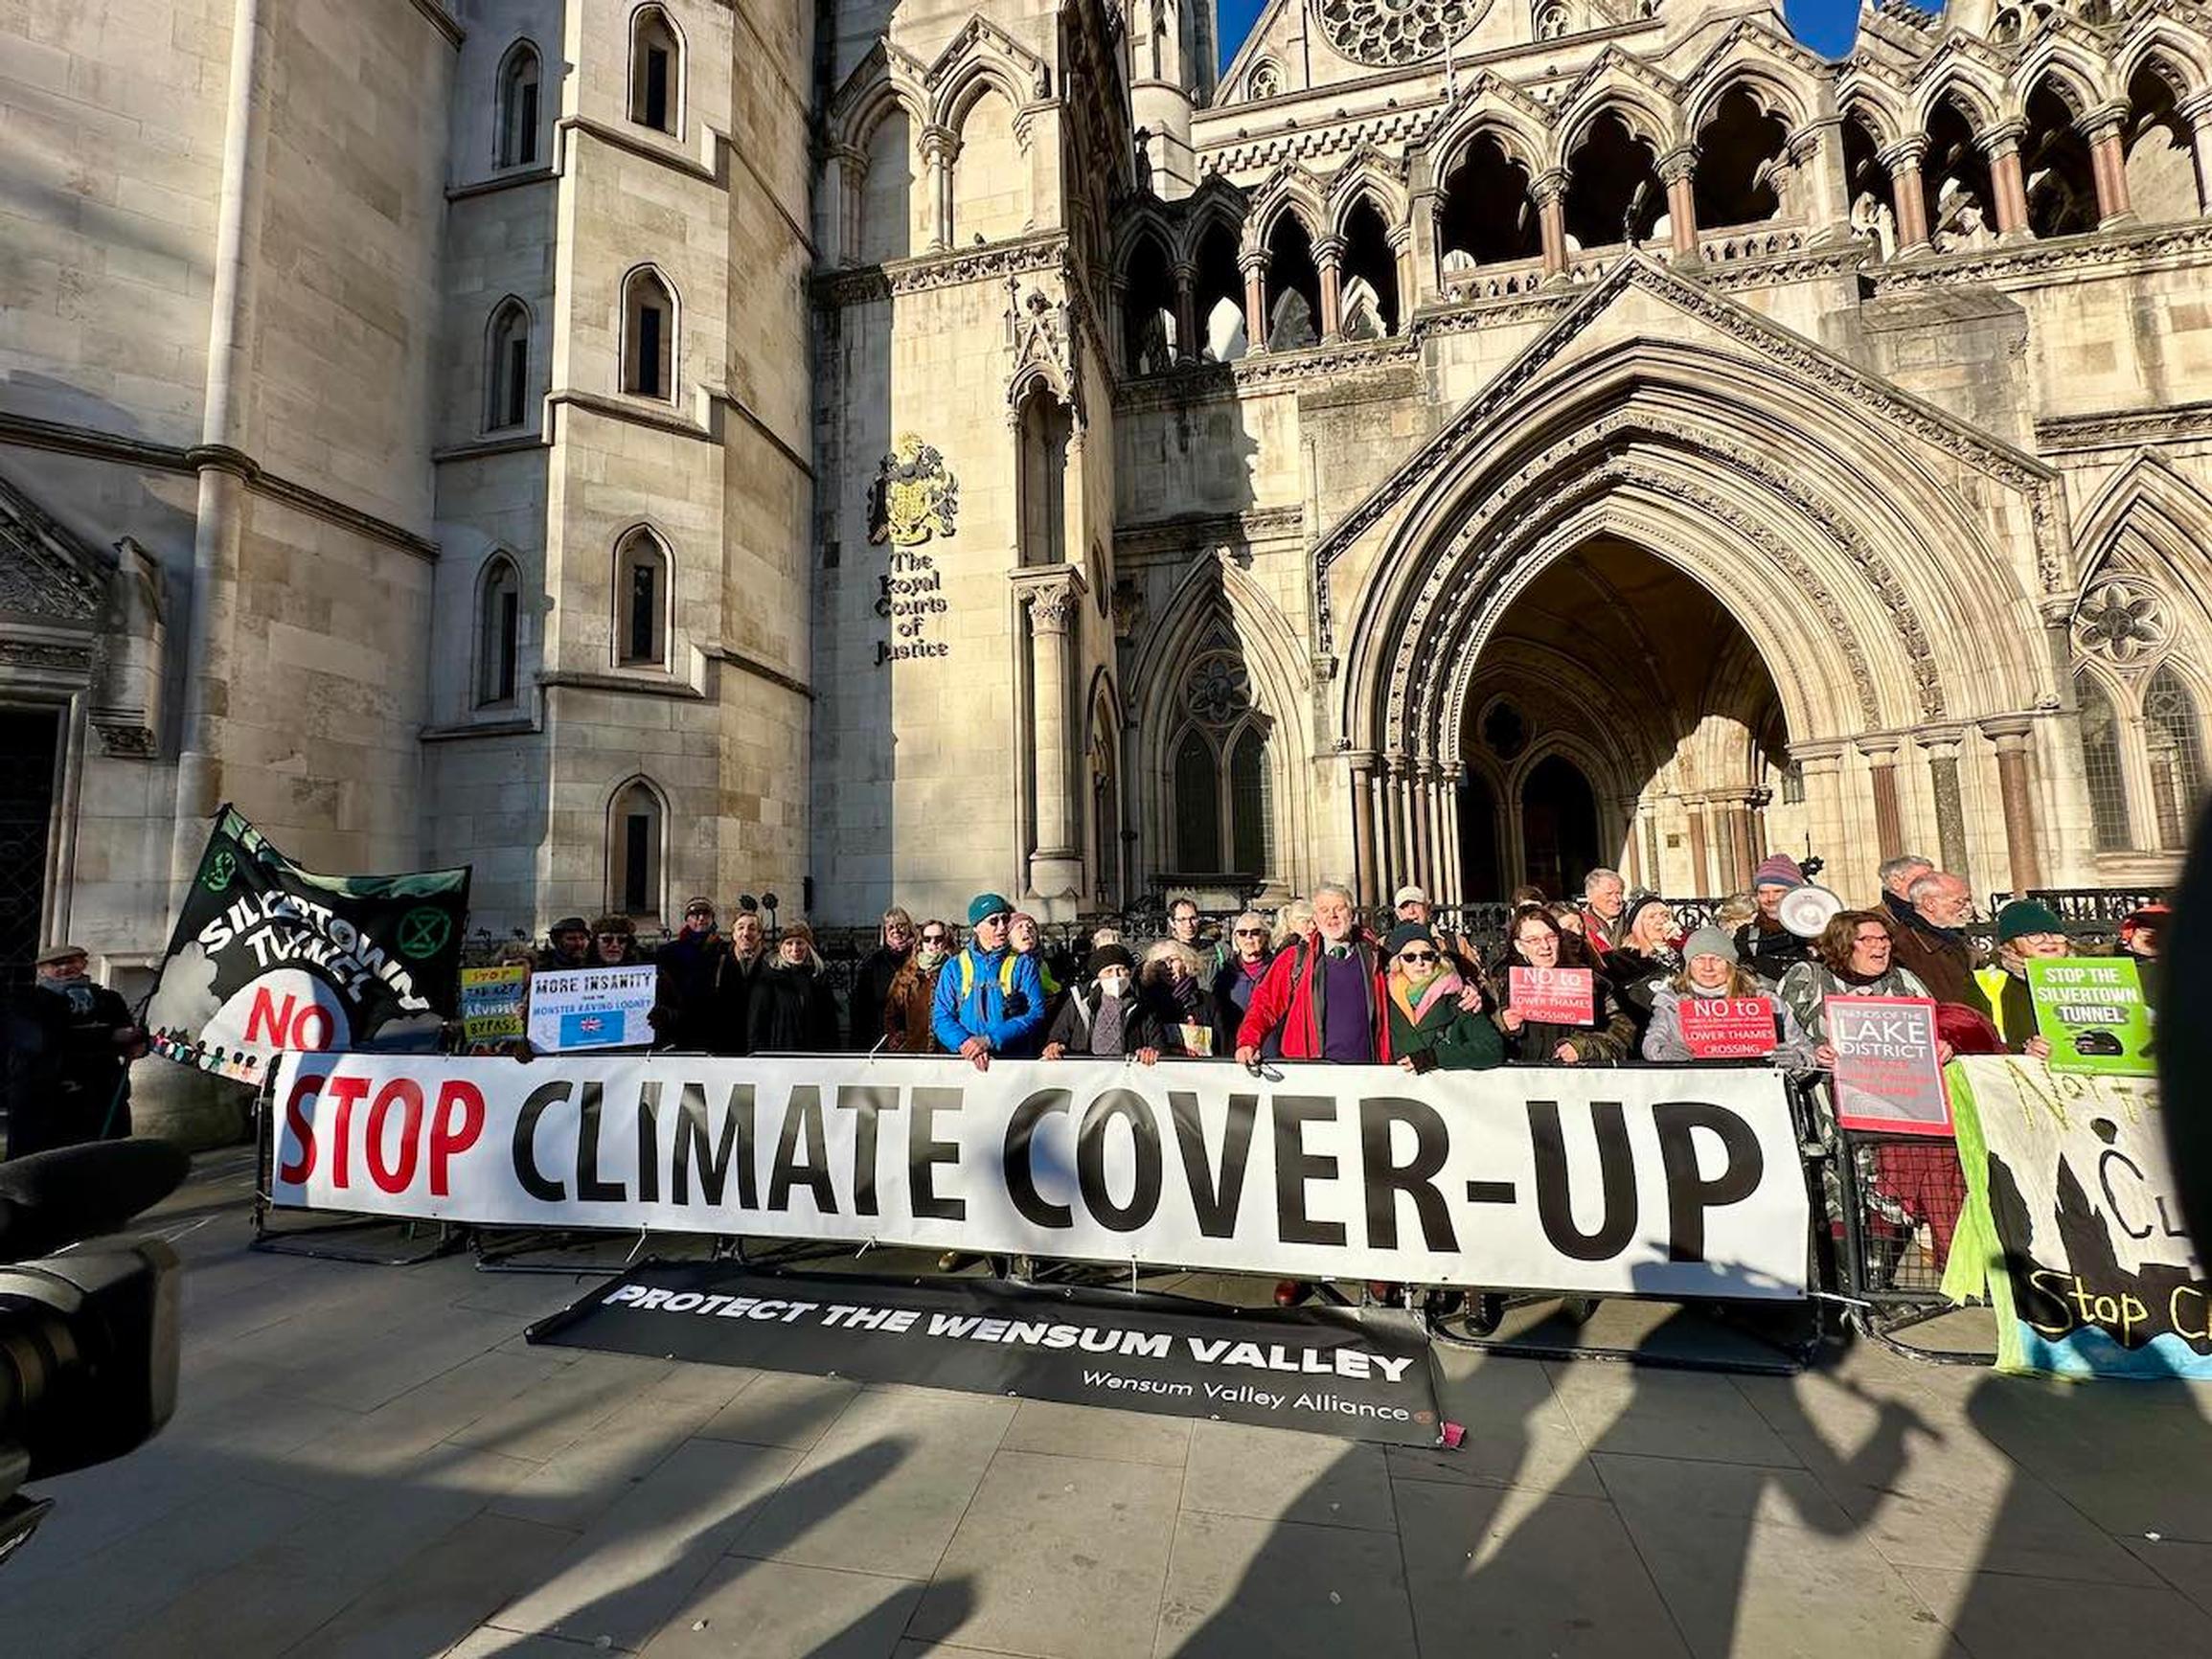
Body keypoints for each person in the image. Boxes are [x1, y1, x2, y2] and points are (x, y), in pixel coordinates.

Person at [3, 944, 144, 1157]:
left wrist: (137, 1042)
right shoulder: (27, 1001)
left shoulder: (108, 999)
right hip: (46, 1097)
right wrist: (109, 1036)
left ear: (84, 964)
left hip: (99, 1093)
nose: (66, 967)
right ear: (41, 970)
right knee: (46, 1161)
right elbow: (45, 1040)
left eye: (73, 961)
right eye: (56, 964)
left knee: (98, 1156)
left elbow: (127, 1030)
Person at [1235, 883, 1391, 1066]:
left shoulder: (1376, 958)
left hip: (1368, 1074)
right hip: (1312, 1076)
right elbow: (1265, 1004)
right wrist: (1248, 1042)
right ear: (1315, 918)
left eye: (1339, 909)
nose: (1332, 916)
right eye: (1324, 910)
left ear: (1352, 914)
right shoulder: (1295, 959)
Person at [1777, 910, 1948, 1064]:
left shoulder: (1904, 979)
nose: (1880, 945)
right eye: (1867, 940)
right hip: (1827, 1087)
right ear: (1842, 944)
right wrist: (1813, 1051)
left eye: (1884, 938)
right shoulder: (1808, 976)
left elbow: (1938, 1026)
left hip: (1899, 1086)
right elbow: (1781, 1033)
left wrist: (1942, 1045)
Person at [1641, 928, 1816, 1069]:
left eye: (1716, 959)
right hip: (1693, 1093)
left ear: (1731, 965)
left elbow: (1807, 1052)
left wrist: (1797, 1060)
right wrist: (1663, 1053)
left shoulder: (1766, 1001)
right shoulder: (1671, 1001)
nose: (1707, 968)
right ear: (1688, 965)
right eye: (1699, 959)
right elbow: (1652, 1042)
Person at [1493, 907, 1635, 1065]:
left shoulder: (1593, 983)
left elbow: (1624, 1033)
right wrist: (1500, 1023)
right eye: (1533, 940)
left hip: (1578, 1080)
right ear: (1519, 946)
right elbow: (1475, 1036)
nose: (1545, 946)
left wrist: (1583, 1048)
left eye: (1551, 937)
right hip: (1520, 1080)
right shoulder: (1502, 984)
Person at [932, 893, 1049, 1070]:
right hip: (967, 1062)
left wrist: (988, 1041)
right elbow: (941, 1016)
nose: (1002, 927)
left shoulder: (1023, 963)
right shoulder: (954, 966)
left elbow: (1036, 1013)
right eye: (993, 921)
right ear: (976, 927)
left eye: (1005, 919)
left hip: (1012, 1062)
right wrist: (966, 1044)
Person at [1382, 922, 1502, 1073]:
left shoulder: (1461, 999)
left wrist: (1436, 1056)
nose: (1419, 963)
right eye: (1410, 957)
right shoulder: (1384, 1000)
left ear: (1436, 959)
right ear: (1398, 962)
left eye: (1427, 955)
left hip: (1446, 1091)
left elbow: (1493, 1048)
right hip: (1395, 1090)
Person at [1974, 899, 2072, 1058]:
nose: (2049, 940)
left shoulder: (2085, 978)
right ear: (2010, 945)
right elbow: (1977, 1042)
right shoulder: (1986, 983)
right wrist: (2022, 1050)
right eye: (2033, 935)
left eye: (2055, 934)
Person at [1889, 871, 1992, 1016]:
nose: (1968, 908)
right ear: (1930, 904)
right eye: (1959, 901)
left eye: (1968, 901)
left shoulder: (1954, 938)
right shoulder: (1901, 943)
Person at [1043, 945, 1164, 1061]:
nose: (1116, 976)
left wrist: (1150, 1052)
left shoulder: (1143, 1002)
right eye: (1108, 971)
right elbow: (1058, 1035)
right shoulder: (1080, 1001)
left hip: (1127, 1073)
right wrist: (1055, 1046)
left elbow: (1157, 1043)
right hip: (1088, 1072)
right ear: (1098, 976)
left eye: (1121, 969)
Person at [746, 921, 841, 1053]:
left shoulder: (818, 978)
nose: (795, 949)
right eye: (789, 943)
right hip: (779, 1055)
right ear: (781, 947)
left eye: (800, 943)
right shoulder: (768, 978)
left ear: (808, 946)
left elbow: (830, 1023)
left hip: (813, 1055)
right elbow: (757, 1023)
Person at [1600, 893, 1679, 1039]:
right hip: (1646, 1029)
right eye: (1651, 916)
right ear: (1637, 923)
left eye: (1665, 915)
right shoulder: (1619, 959)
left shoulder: (1681, 954)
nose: (1660, 920)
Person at [652, 897, 725, 1052]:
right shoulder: (669, 951)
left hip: (713, 1022)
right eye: (695, 915)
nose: (701, 918)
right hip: (680, 1023)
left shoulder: (723, 949)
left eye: (706, 914)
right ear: (687, 919)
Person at [1735, 853, 1814, 983]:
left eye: (1778, 892)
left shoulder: (1818, 934)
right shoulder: (1747, 937)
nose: (1770, 899)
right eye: (1763, 893)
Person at [849, 907, 916, 1050]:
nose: (896, 931)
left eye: (901, 926)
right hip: (879, 1037)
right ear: (884, 932)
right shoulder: (873, 963)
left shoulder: (919, 959)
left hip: (915, 1034)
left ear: (909, 928)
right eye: (890, 927)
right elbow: (860, 1006)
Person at [881, 920, 952, 1052]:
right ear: (921, 943)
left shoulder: (956, 971)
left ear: (946, 941)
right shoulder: (907, 975)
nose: (933, 943)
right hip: (915, 1051)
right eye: (927, 939)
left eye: (939, 938)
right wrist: (896, 1037)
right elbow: (891, 1012)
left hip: (949, 1052)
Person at [1211, 911, 1275, 1055]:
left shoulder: (1278, 970)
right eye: (1242, 933)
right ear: (1236, 939)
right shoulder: (1225, 976)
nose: (1249, 937)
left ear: (1265, 936)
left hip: (1273, 1047)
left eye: (1255, 932)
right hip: (1238, 1048)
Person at [1141, 939, 1217, 1056]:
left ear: (1186, 962)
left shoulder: (1207, 1002)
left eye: (1172, 960)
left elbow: (1223, 1044)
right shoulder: (1146, 1003)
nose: (1168, 966)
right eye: (1160, 963)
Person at [710, 909, 769, 1055]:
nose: (746, 933)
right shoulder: (720, 961)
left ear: (760, 934)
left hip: (762, 1042)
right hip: (727, 1042)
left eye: (752, 928)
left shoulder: (770, 963)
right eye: (741, 928)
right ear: (733, 934)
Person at [1007, 912, 1066, 1022]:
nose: (1026, 930)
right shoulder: (1005, 965)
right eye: (1019, 927)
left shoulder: (1045, 963)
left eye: (1031, 926)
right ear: (1008, 937)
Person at [1877, 853, 1935, 930]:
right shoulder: (1880, 920)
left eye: (1933, 879)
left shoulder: (1937, 912)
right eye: (1921, 879)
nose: (1931, 885)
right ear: (1896, 883)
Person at [1579, 867, 1628, 955]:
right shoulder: (1580, 925)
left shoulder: (1633, 919)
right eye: (1608, 894)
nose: (1616, 900)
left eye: (1619, 893)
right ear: (1590, 897)